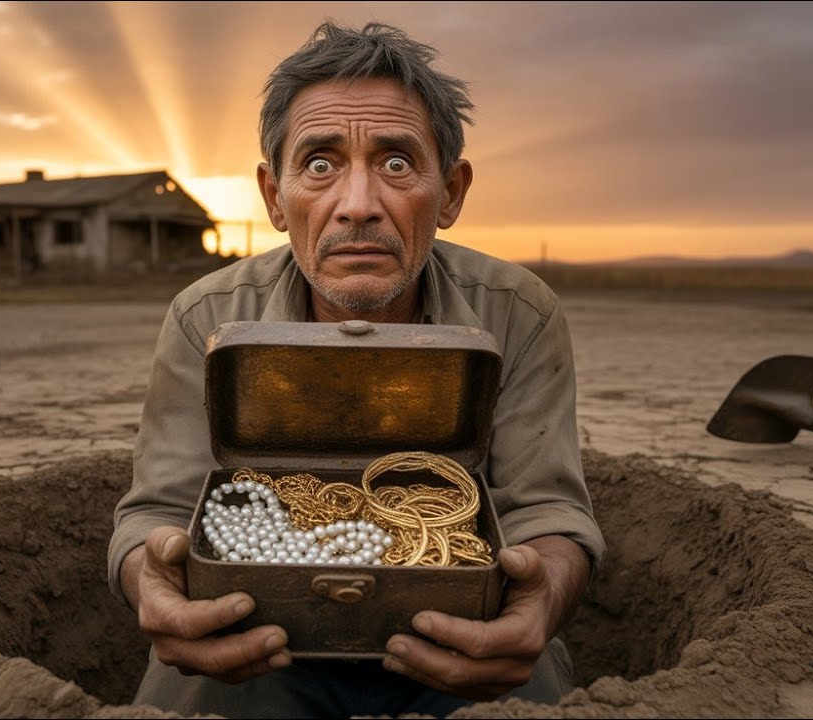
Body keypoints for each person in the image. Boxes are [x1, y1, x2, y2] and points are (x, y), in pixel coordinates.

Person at [108, 21, 606, 718]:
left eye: (398, 163)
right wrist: (150, 583)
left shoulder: (520, 312)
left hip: (466, 649)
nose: (359, 204)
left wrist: (541, 597)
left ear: (452, 191)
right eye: (319, 163)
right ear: (275, 197)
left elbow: (547, 512)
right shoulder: (205, 318)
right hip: (252, 645)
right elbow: (155, 513)